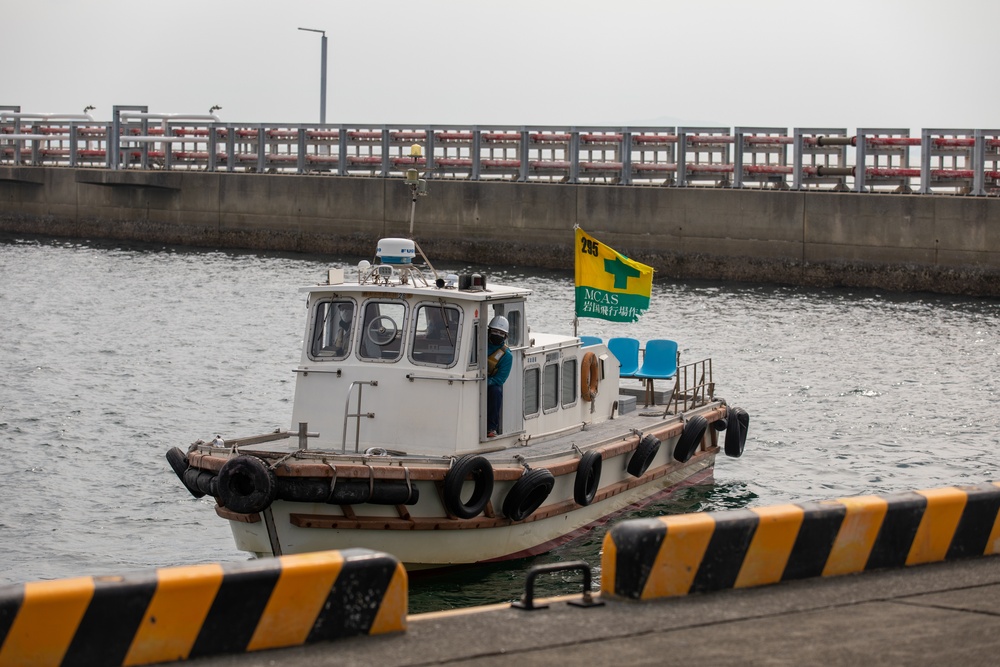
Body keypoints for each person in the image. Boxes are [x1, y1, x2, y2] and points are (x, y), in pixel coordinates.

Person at [486, 315, 511, 437]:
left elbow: (500, 378)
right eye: (495, 331)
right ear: (489, 331)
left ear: (505, 336)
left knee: (496, 392)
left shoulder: (506, 355)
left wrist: (485, 383)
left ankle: (491, 427)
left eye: (501, 333)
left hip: (490, 383)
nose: (497, 334)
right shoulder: (478, 343)